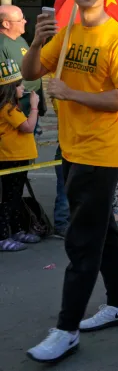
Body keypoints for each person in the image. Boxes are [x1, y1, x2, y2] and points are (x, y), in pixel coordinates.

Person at [23, 0, 118, 363]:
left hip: (101, 155)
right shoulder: (67, 33)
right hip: (69, 151)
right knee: (103, 232)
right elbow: (29, 72)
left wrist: (71, 94)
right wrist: (37, 42)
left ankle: (66, 329)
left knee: (82, 243)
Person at [0, 58, 40, 252]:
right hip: (10, 158)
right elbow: (28, 127)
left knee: (16, 197)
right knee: (8, 199)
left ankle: (17, 230)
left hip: (18, 158)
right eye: (18, 86)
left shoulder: (12, 107)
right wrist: (34, 106)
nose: (22, 88)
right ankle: (3, 236)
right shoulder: (8, 108)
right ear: (9, 88)